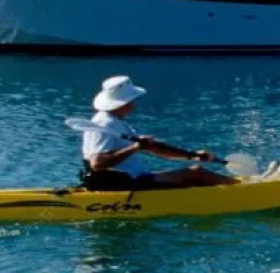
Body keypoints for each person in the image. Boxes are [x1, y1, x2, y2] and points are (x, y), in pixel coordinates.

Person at [80, 75, 237, 190]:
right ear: (127, 103)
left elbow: (154, 148)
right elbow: (97, 163)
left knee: (193, 172)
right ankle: (243, 188)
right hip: (124, 184)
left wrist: (193, 155)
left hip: (132, 178)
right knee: (196, 173)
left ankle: (236, 187)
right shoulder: (104, 124)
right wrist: (135, 147)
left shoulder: (116, 121)